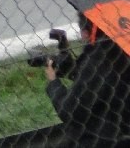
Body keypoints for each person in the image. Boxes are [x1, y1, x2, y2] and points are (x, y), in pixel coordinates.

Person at [44, 14, 130, 147]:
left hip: (105, 140)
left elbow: (71, 111)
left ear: (86, 33)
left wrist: (53, 82)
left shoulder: (101, 58)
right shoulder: (124, 49)